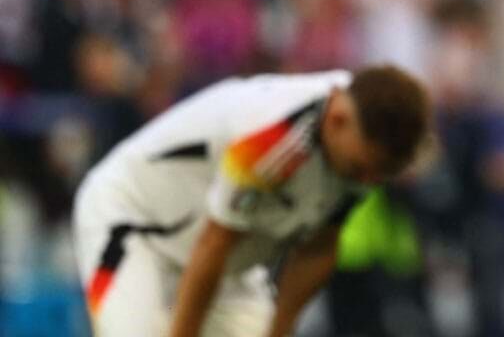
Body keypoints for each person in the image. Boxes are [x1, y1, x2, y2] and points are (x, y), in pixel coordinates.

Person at [72, 65, 432, 337]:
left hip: (226, 265)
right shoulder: (272, 134)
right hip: (133, 225)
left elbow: (319, 247)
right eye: (360, 169)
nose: (366, 182)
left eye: (377, 175)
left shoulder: (365, 147)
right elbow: (214, 243)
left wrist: (280, 329)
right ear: (337, 121)